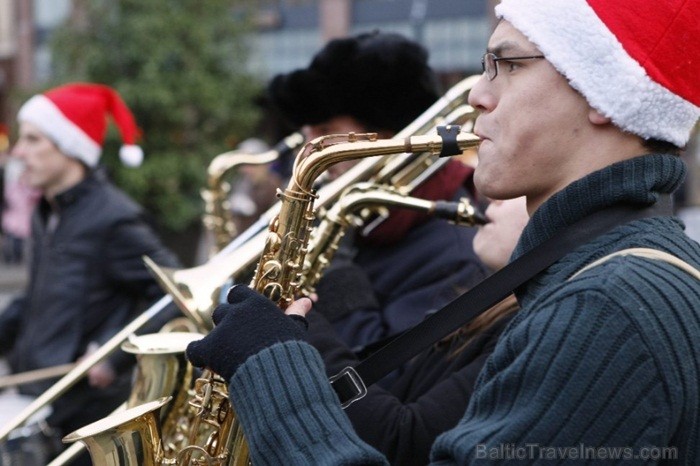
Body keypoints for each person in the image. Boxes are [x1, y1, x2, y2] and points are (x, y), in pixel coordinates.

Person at [186, 0, 700, 464]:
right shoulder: (611, 278)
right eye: (484, 69)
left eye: (509, 65)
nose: (477, 94)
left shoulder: (604, 307)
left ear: (603, 90)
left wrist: (273, 371)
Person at [267, 30, 489, 355]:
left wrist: (331, 268)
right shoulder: (361, 216)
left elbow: (387, 377)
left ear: (386, 139)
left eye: (326, 133)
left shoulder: (454, 253)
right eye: (307, 135)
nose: (309, 152)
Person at [0, 83, 181, 465]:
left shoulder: (113, 218)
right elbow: (36, 299)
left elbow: (175, 291)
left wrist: (113, 355)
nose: (18, 152)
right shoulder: (47, 211)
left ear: (70, 147)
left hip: (84, 415)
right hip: (35, 393)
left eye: (33, 140)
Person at [305, 197, 527, 465]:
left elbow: (400, 438)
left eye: (526, 193)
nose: (493, 199)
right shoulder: (493, 300)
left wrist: (301, 329)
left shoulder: (459, 258)